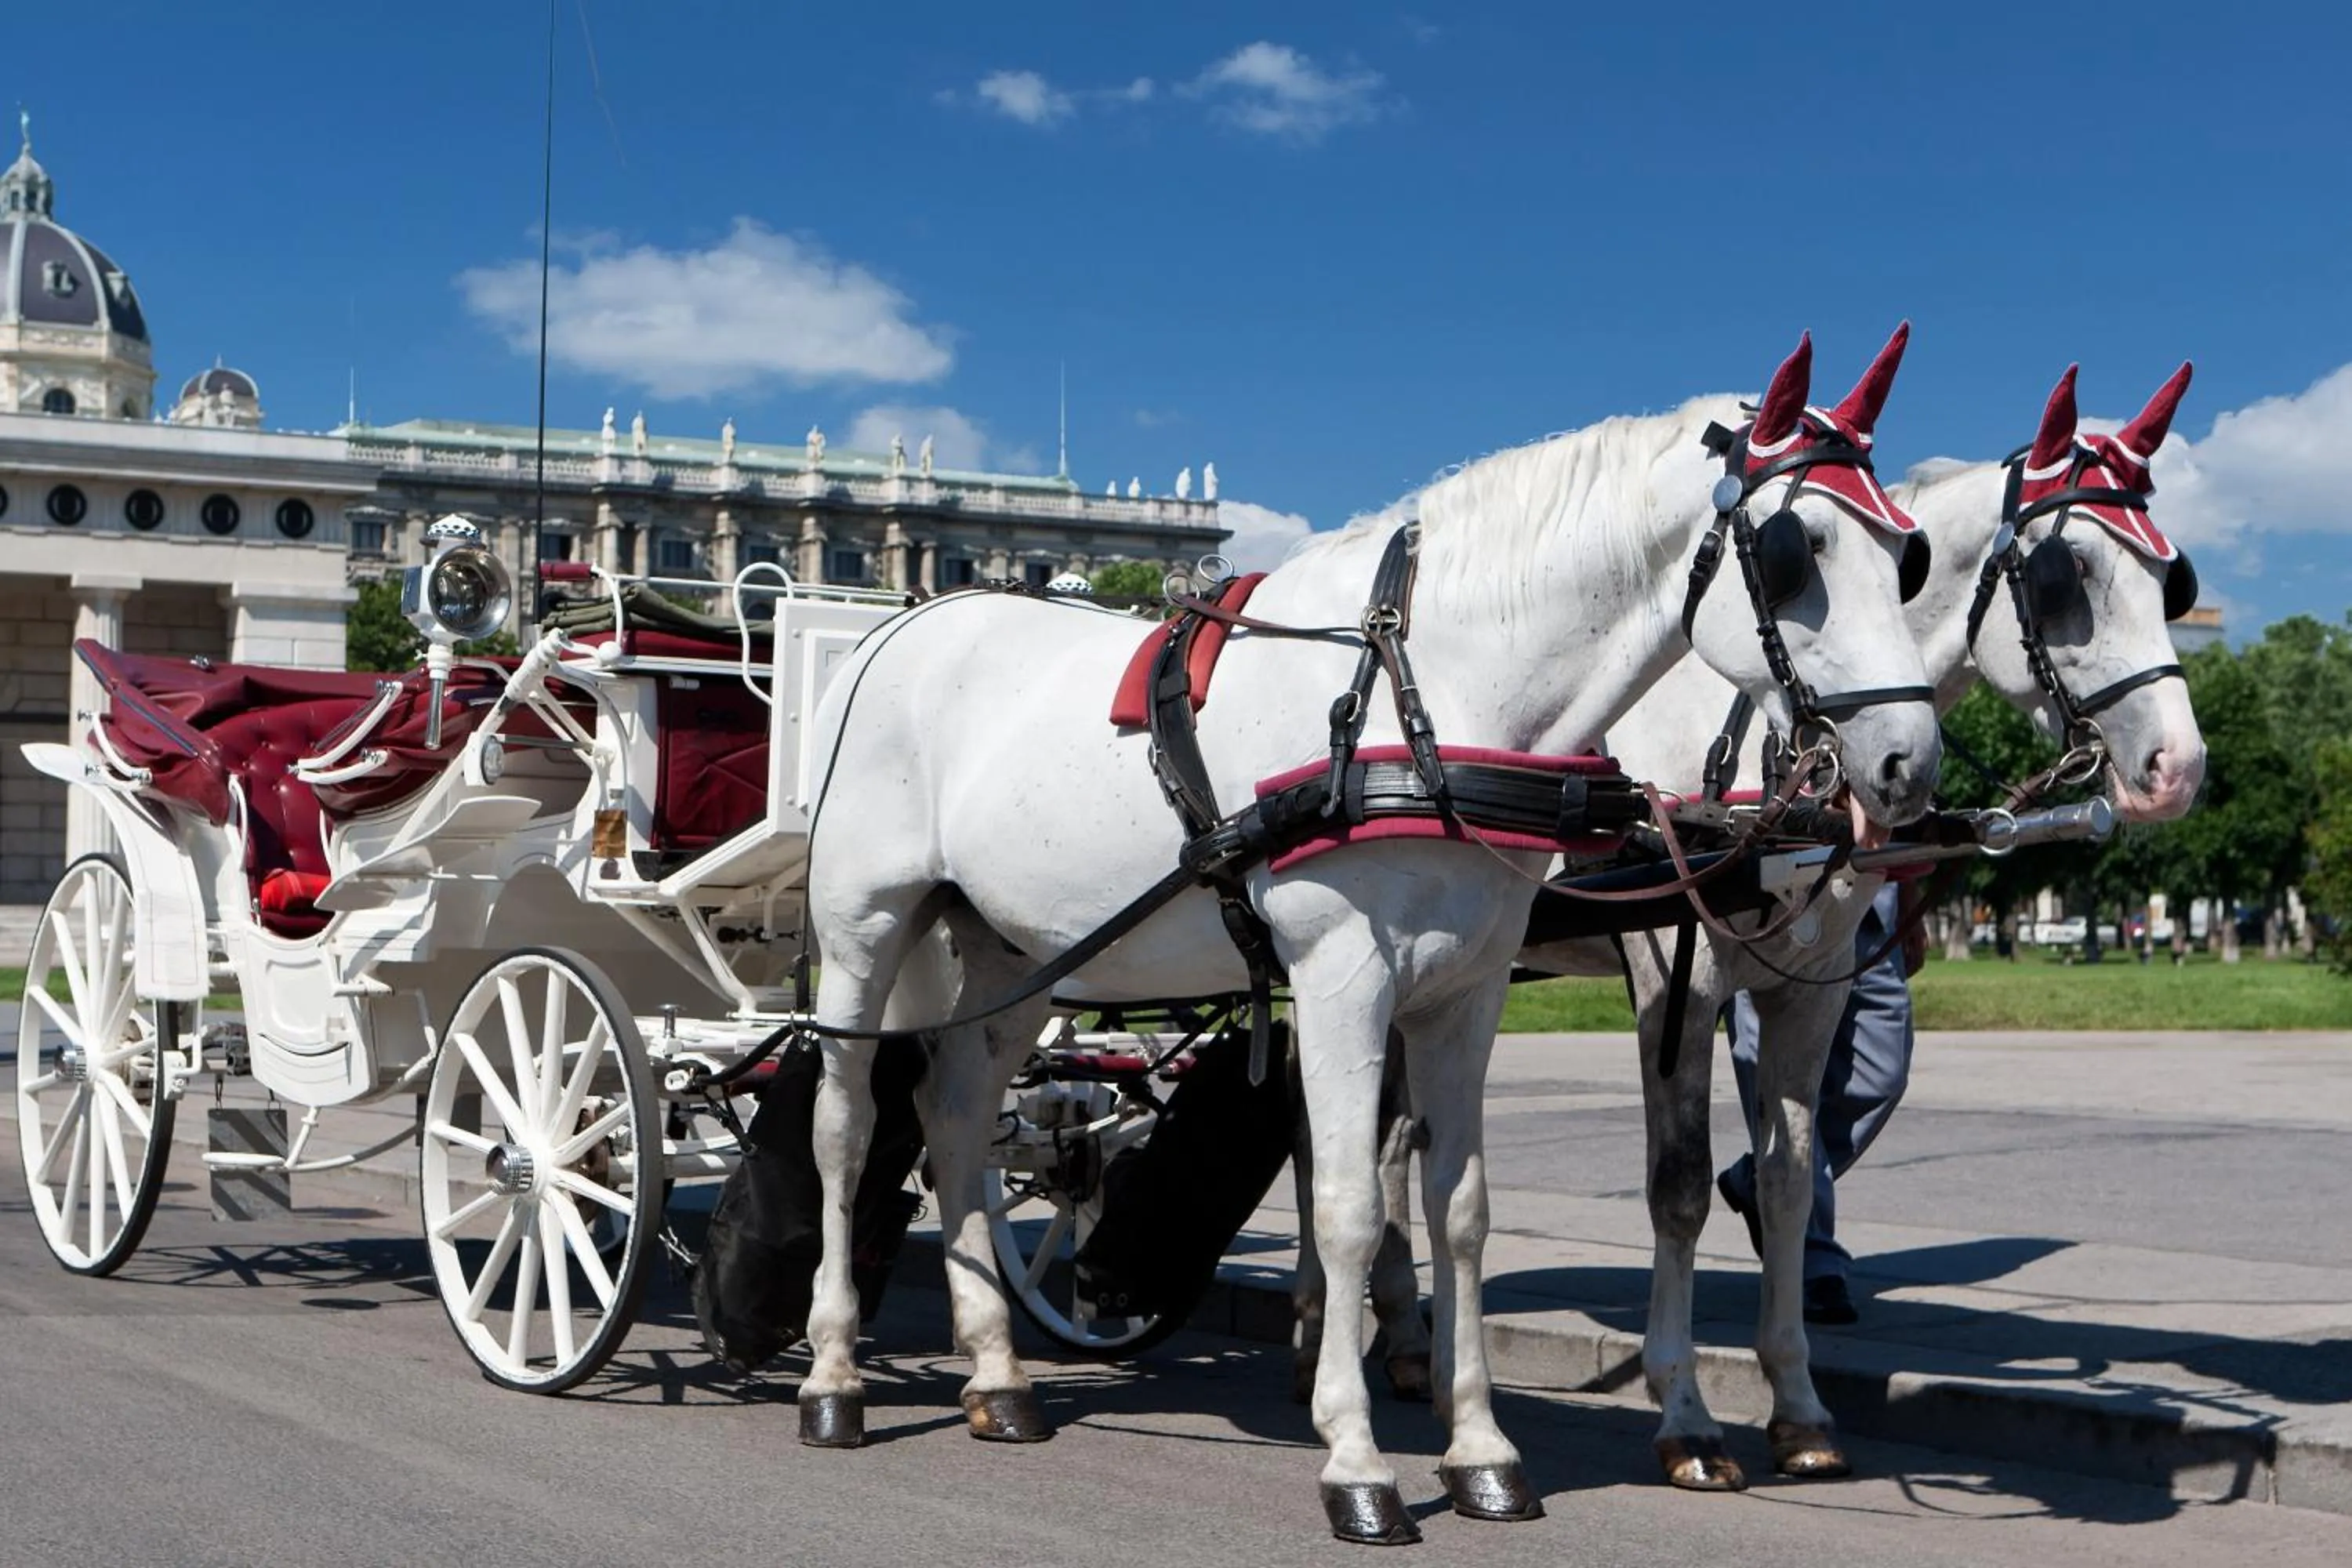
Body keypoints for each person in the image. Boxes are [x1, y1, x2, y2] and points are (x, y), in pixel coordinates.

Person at [1715, 880, 1922, 1326]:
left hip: (1872, 894)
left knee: (1882, 1073)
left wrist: (1910, 896)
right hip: (1776, 892)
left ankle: (1761, 1178)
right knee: (1780, 1086)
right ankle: (1811, 1261)